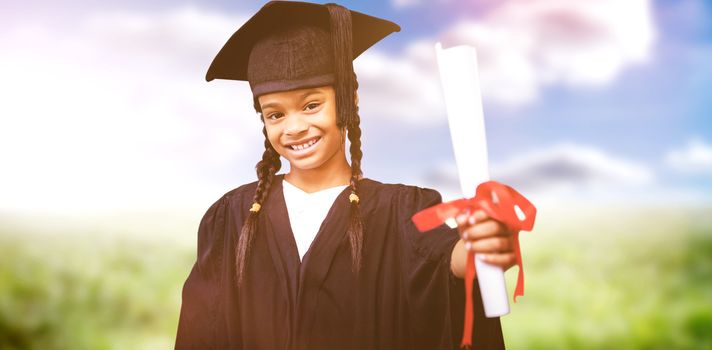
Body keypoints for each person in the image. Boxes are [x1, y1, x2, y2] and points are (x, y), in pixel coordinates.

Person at [175, 1, 518, 349]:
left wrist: (481, 247)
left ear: (350, 99)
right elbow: (201, 331)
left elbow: (445, 262)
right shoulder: (232, 218)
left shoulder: (400, 211)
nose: (294, 127)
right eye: (275, 114)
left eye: (311, 105)